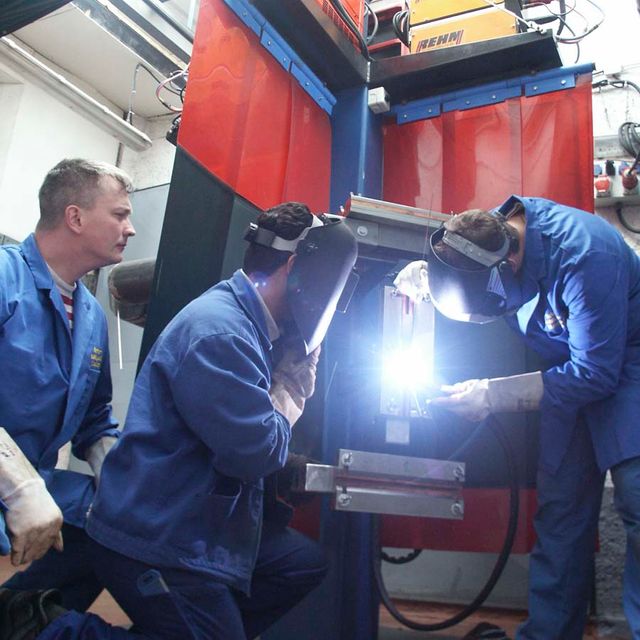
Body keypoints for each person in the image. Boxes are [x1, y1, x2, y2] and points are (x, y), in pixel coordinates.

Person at [33, 202, 358, 640]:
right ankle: (41, 628)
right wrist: (292, 387)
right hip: (159, 533)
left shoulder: (252, 324)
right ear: (295, 267)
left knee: (301, 565)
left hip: (198, 516)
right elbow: (257, 454)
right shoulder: (221, 334)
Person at [394, 195, 640, 639]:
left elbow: (596, 374)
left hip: (627, 365)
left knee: (637, 498)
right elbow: (465, 273)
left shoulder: (585, 256)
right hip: (567, 372)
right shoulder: (479, 239)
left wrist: (492, 395)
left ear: (508, 265)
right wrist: (434, 280)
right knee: (561, 510)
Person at [0, 159, 135, 610]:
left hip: (34, 482)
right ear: (75, 217)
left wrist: (122, 483)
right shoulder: (5, 279)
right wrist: (18, 487)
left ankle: (24, 616)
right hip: (14, 482)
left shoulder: (91, 315)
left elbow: (94, 418)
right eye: (119, 214)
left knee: (117, 523)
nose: (130, 228)